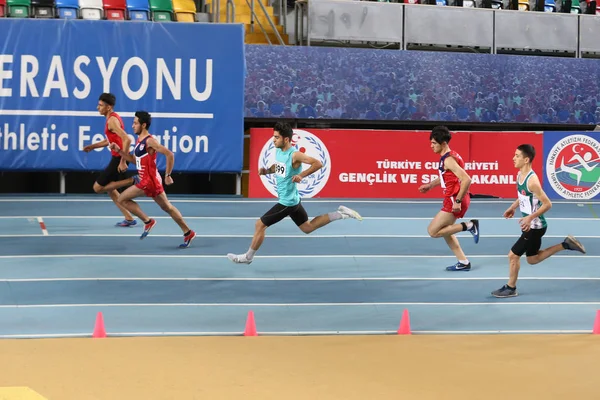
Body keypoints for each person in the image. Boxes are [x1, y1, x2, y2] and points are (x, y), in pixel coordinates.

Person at [227, 122, 362, 265]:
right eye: (273, 136)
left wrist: (302, 175)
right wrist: (267, 171)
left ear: (286, 139)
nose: (273, 140)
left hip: (287, 203)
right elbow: (280, 167)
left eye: (277, 137)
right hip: (294, 200)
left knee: (259, 225)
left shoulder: (295, 155)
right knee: (307, 227)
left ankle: (248, 257)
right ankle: (342, 214)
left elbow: (318, 163)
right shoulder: (279, 151)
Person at [491, 144, 586, 298]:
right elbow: (523, 196)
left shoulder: (532, 181)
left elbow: (548, 204)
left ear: (526, 159)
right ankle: (566, 244)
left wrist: (529, 217)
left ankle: (511, 287)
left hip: (534, 226)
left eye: (517, 156)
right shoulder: (519, 175)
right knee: (533, 259)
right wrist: (513, 207)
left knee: (513, 256)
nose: (513, 158)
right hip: (530, 225)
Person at [109, 111, 196, 249]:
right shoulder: (139, 141)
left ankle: (147, 221)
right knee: (167, 207)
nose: (132, 126)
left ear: (143, 125)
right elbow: (134, 160)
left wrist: (168, 175)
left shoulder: (150, 141)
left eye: (135, 123)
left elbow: (169, 154)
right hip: (150, 180)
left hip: (148, 182)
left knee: (122, 199)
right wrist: (120, 151)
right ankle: (188, 232)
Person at [418, 126, 479, 271]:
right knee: (446, 231)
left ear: (443, 143)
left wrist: (457, 201)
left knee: (433, 231)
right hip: (452, 198)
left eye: (434, 143)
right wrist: (430, 185)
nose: (431, 146)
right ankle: (463, 262)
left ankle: (469, 226)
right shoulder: (448, 157)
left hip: (455, 200)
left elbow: (467, 179)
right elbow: (446, 177)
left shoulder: (449, 159)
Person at [83, 93, 137, 227]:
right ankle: (128, 217)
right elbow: (110, 140)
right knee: (110, 189)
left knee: (97, 188)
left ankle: (133, 180)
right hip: (118, 156)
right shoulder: (112, 119)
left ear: (109, 107)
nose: (97, 108)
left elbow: (127, 139)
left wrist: (123, 161)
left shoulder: (112, 121)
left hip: (119, 158)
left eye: (100, 105)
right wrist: (93, 146)